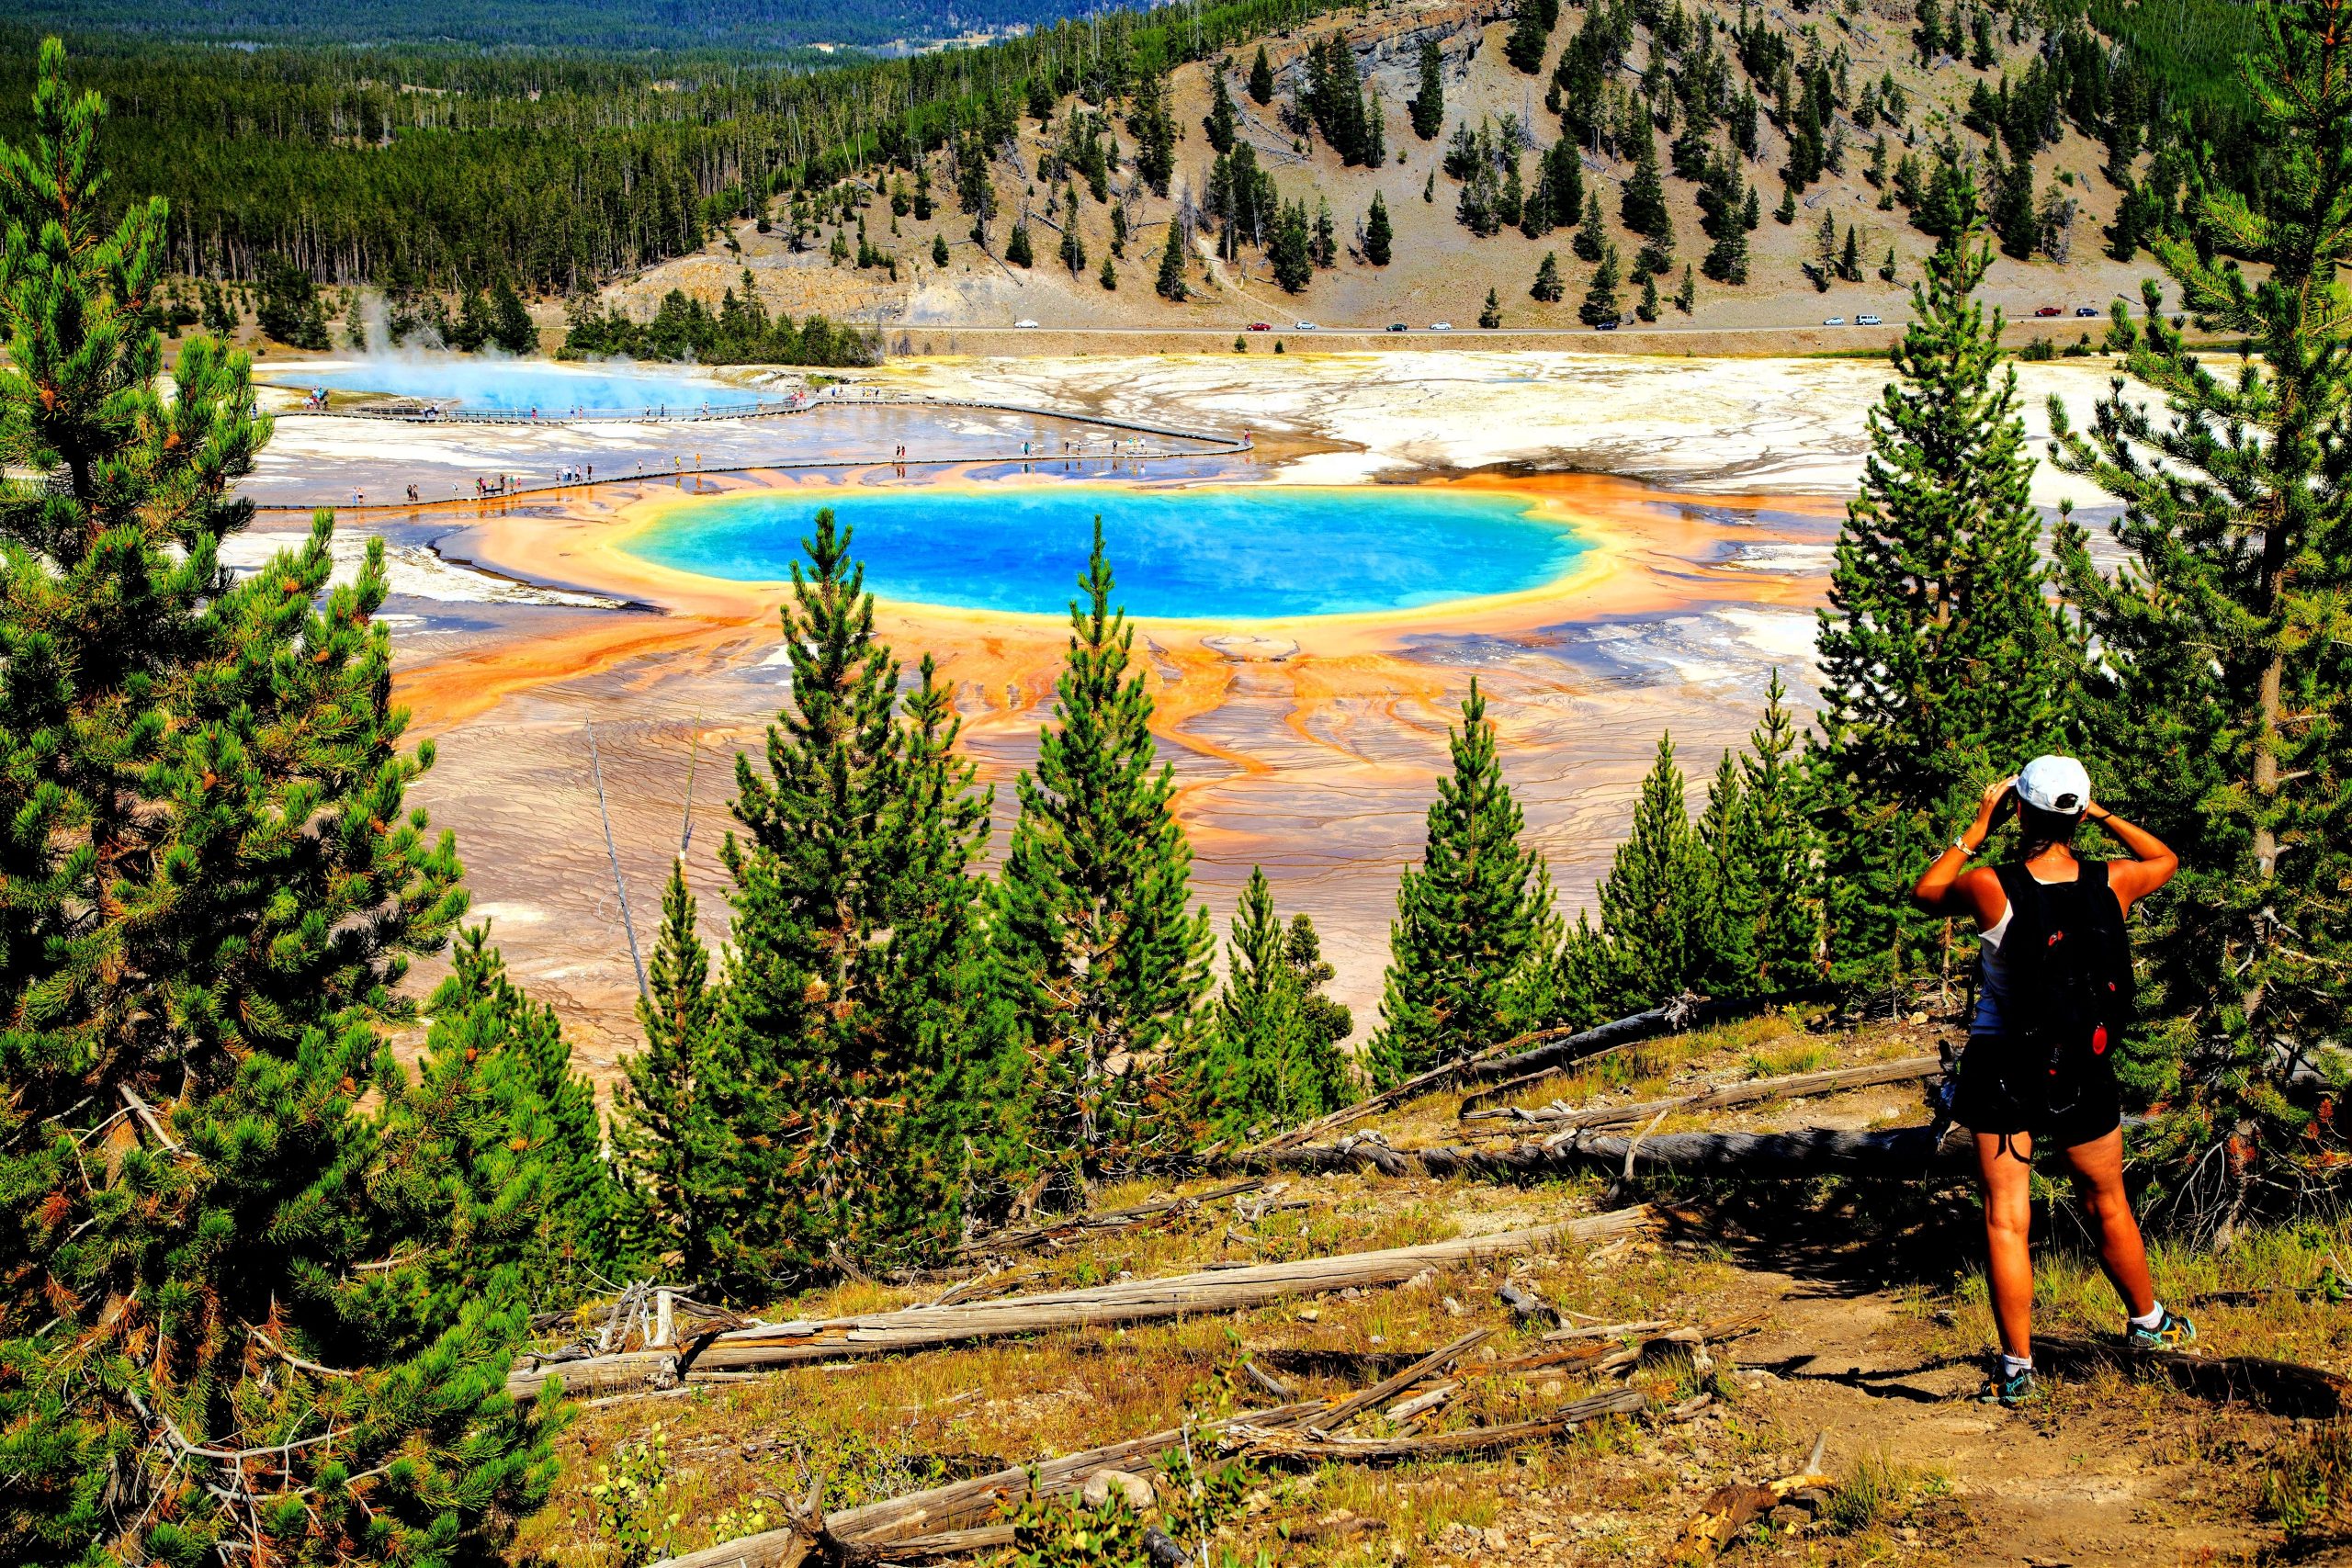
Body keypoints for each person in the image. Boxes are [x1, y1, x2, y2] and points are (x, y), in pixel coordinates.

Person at [1912, 755, 2193, 1407]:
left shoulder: (1992, 885)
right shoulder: (2113, 881)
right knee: (2108, 1200)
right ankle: (2148, 1323)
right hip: (2081, 1065)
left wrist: (1976, 828)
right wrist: (2102, 814)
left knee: (2007, 1220)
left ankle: (2017, 1369)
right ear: (2075, 813)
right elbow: (2167, 859)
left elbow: (1925, 893)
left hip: (2003, 1065)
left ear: (2021, 810)